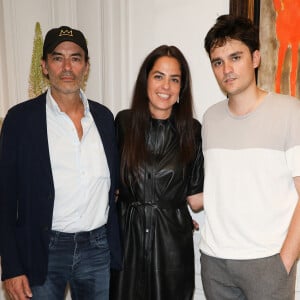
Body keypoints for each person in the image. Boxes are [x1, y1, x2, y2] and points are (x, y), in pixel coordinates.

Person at [0, 25, 122, 300]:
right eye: (58, 58)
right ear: (44, 66)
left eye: (75, 58)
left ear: (86, 66)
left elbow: (115, 186)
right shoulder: (20, 120)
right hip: (43, 249)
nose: (67, 67)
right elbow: (5, 198)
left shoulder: (104, 119)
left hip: (97, 248)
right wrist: (11, 267)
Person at [200, 14, 300, 300]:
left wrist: (285, 260)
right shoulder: (210, 118)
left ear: (255, 58)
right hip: (214, 263)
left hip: (268, 262)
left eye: (235, 57)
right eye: (218, 62)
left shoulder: (289, 112)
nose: (227, 69)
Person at [110, 45, 204, 300]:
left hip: (172, 247)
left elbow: (197, 198)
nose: (166, 86)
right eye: (159, 76)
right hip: (127, 243)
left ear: (181, 88)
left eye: (174, 79)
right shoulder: (123, 123)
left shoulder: (193, 131)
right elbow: (108, 182)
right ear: (146, 81)